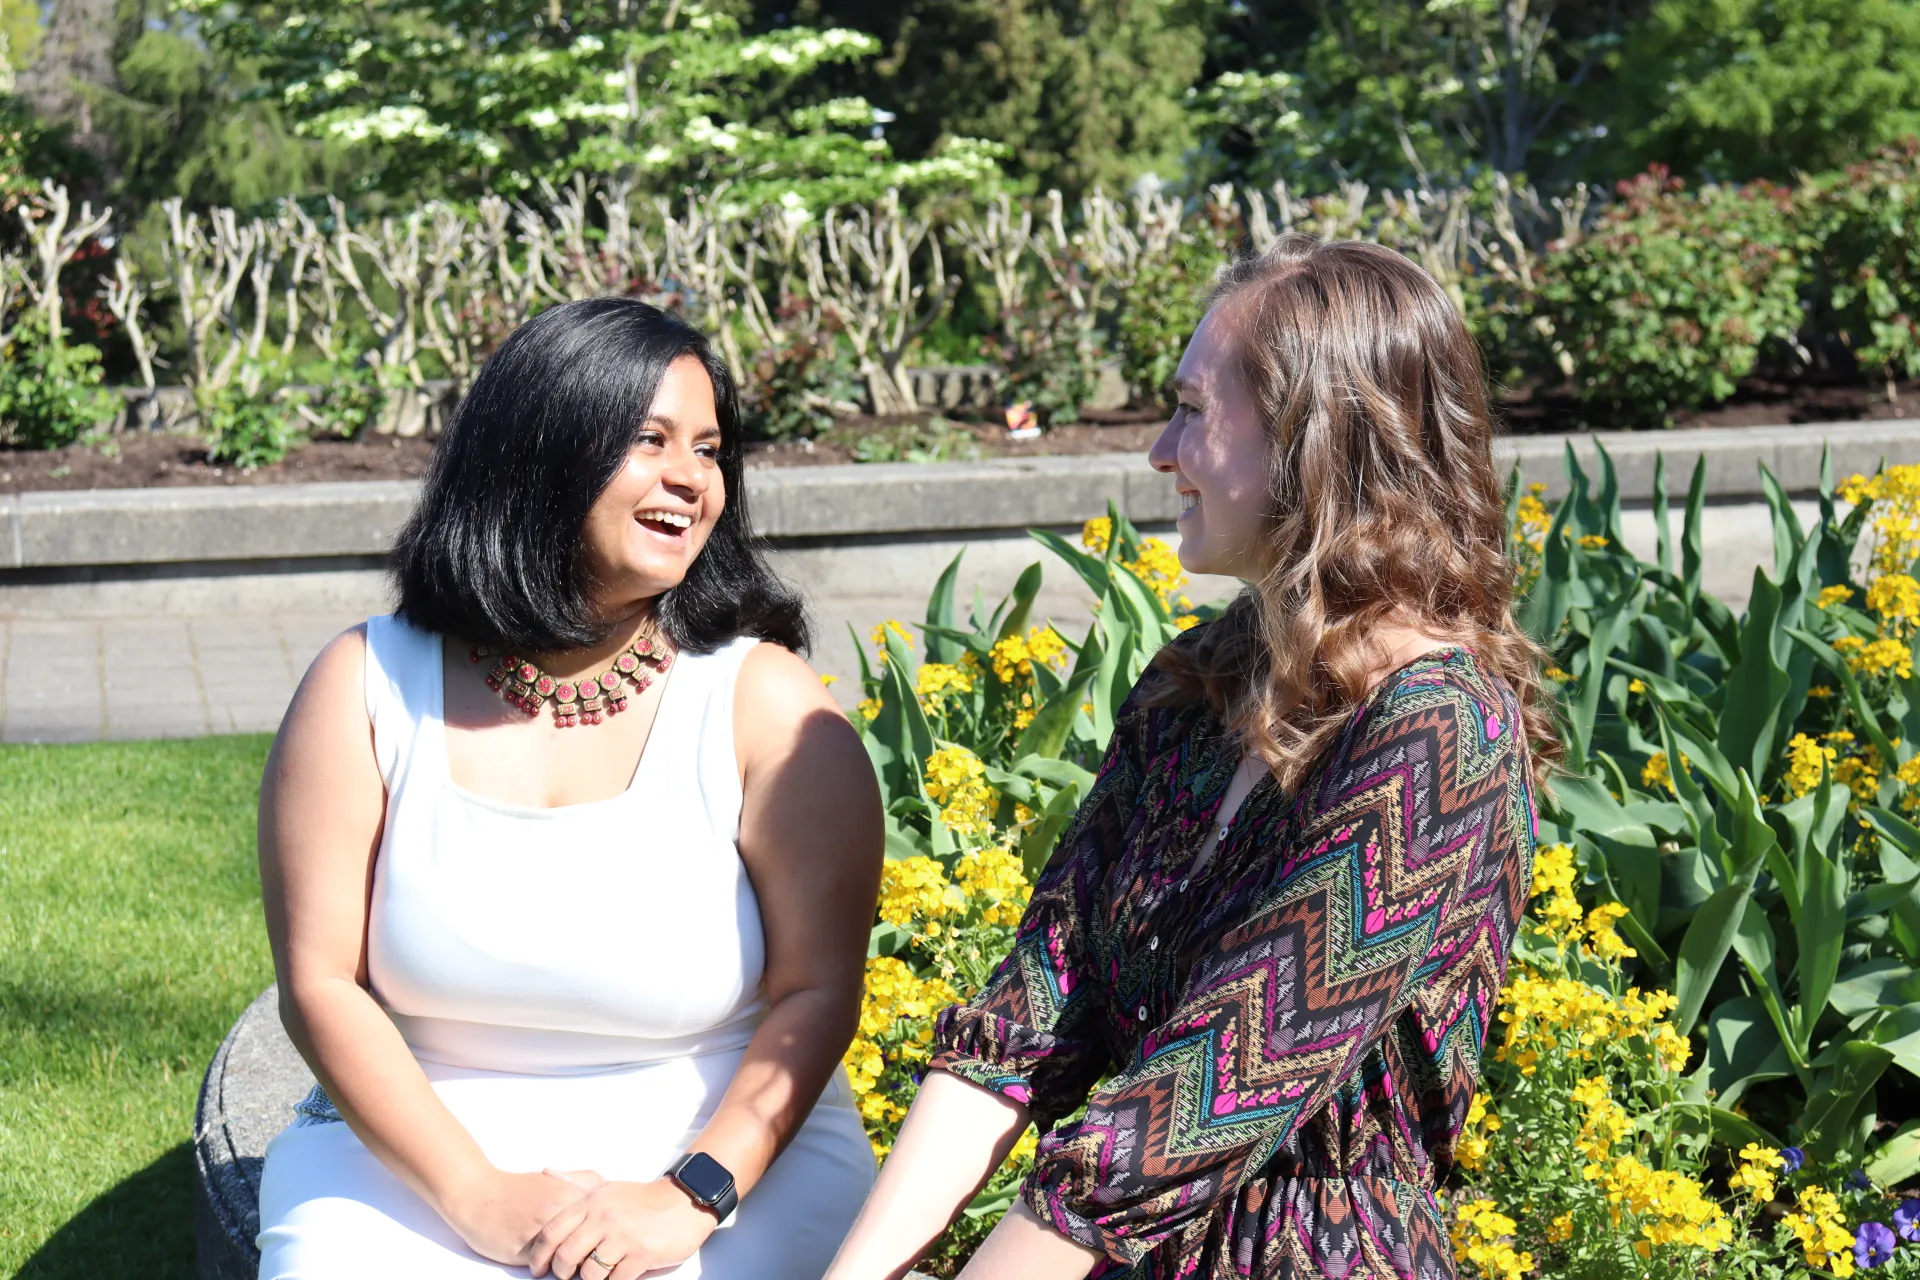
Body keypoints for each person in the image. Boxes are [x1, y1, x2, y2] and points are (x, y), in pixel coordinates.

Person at [823, 235, 1554, 1280]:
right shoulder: (1197, 687)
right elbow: (1030, 1014)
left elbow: (1213, 1086)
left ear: (1314, 437)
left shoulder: (1440, 731)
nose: (1162, 452)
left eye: (1192, 410)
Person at [254, 297, 882, 1280]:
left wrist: (690, 1197)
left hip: (727, 1150)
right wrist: (479, 1194)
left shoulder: (764, 704)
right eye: (650, 439)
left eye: (710, 449)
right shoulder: (364, 686)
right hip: (412, 1151)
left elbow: (818, 989)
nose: (692, 477)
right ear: (538, 449)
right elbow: (320, 982)